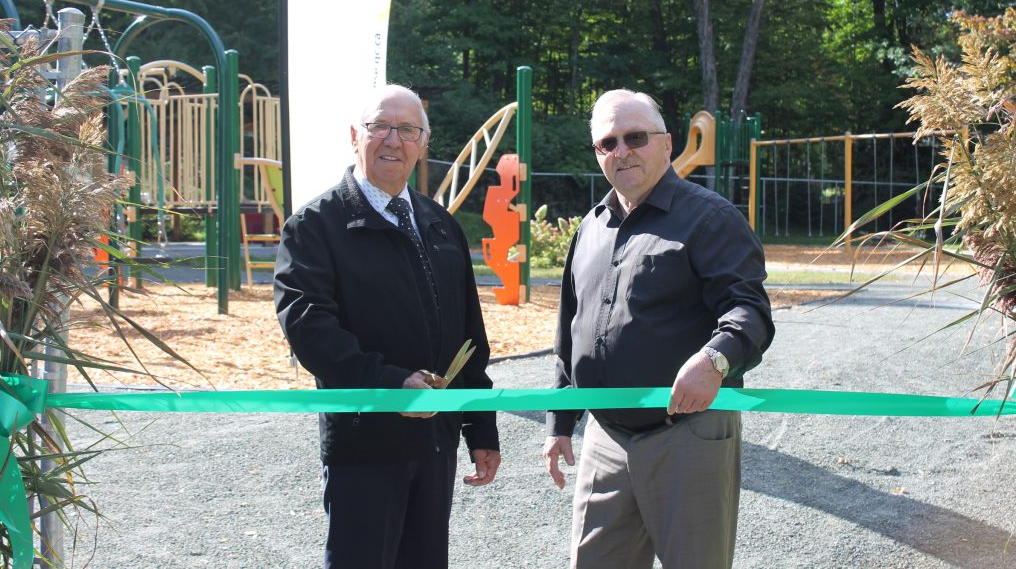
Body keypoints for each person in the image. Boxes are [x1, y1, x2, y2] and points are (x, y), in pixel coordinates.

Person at [542, 89, 774, 569]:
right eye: (608, 143)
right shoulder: (592, 226)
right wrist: (560, 420)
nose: (622, 150)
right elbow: (571, 326)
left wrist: (715, 360)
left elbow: (751, 311)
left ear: (667, 144)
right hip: (605, 437)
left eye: (635, 137)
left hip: (686, 432)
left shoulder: (711, 218)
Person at [274, 84, 501, 569]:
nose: (393, 140)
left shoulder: (441, 225)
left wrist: (480, 428)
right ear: (356, 136)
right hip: (365, 443)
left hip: (435, 443)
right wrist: (392, 384)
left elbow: (469, 337)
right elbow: (308, 327)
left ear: (423, 144)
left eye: (407, 130)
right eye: (380, 126)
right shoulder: (316, 225)